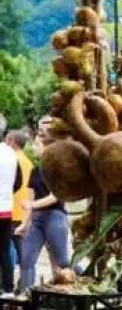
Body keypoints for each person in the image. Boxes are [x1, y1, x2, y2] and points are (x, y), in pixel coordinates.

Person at [14, 122, 73, 292]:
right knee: (26, 258)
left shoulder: (59, 170)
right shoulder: (35, 171)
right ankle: (26, 295)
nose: (33, 147)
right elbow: (30, 196)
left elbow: (56, 196)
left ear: (47, 148)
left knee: (62, 261)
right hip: (37, 220)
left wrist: (33, 204)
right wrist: (24, 224)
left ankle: (74, 285)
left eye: (37, 144)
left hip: (55, 217)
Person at [6, 129, 32, 268]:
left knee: (10, 248)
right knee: (20, 248)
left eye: (7, 140)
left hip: (12, 209)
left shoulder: (11, 160)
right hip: (23, 211)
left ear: (12, 142)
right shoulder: (28, 162)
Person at [0, 115, 17, 293]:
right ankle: (8, 289)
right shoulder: (11, 153)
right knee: (4, 251)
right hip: (5, 209)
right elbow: (18, 181)